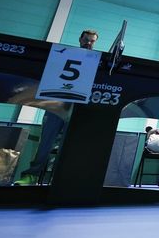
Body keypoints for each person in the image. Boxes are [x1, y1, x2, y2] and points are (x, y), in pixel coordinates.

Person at [15, 29, 99, 185]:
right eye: (86, 39)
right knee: (46, 142)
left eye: (92, 41)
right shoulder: (61, 54)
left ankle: (61, 179)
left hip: (77, 109)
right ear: (80, 39)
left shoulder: (96, 61)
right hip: (56, 106)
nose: (89, 43)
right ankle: (31, 175)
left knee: (70, 146)